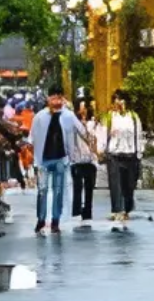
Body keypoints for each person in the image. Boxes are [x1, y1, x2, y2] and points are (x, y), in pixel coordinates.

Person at [27, 87, 95, 236]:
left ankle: (55, 221)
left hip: (61, 159)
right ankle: (41, 219)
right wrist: (33, 160)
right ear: (48, 99)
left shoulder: (68, 116)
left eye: (59, 98)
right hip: (43, 160)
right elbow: (31, 140)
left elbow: (82, 132)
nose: (56, 101)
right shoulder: (39, 117)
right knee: (42, 191)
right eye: (53, 98)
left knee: (58, 191)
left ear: (62, 98)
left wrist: (92, 145)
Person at [102, 90, 144, 228]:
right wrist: (102, 149)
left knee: (128, 185)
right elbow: (103, 133)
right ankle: (116, 210)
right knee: (115, 184)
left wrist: (139, 153)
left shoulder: (133, 117)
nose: (118, 102)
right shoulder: (110, 117)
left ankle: (126, 209)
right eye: (115, 99)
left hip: (130, 154)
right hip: (114, 154)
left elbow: (138, 135)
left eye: (120, 99)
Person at [71, 99, 103, 228]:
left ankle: (88, 212)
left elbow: (95, 139)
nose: (83, 110)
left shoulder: (93, 124)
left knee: (89, 187)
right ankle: (77, 210)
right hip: (77, 160)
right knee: (77, 186)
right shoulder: (74, 124)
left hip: (90, 160)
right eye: (81, 108)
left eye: (85, 108)